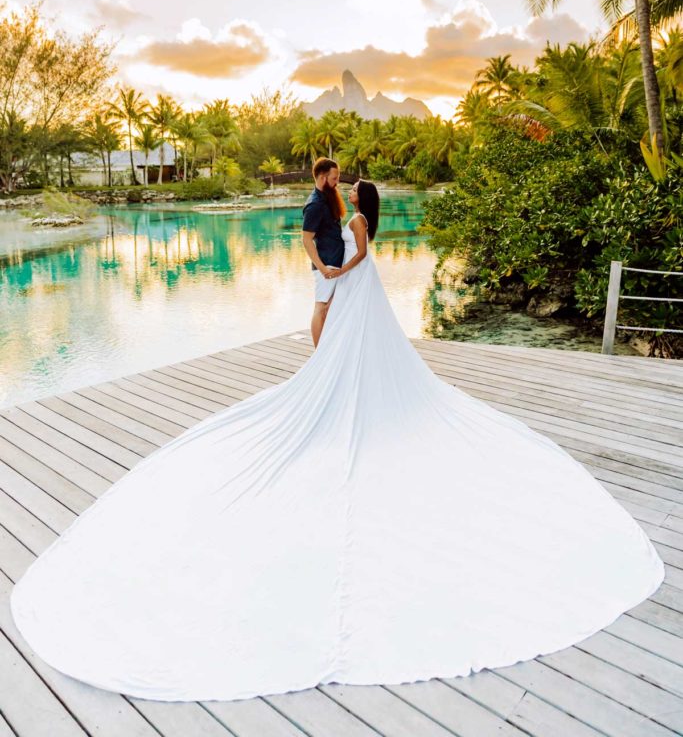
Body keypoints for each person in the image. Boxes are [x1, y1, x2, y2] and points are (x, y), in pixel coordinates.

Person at [9, 178, 664, 702]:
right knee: (348, 343)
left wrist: (334, 272)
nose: (346, 195)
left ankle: (340, 377)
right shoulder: (357, 217)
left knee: (341, 344)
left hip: (350, 286)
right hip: (356, 292)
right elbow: (354, 255)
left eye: (352, 192)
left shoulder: (353, 226)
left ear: (359, 204)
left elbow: (355, 258)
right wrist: (336, 271)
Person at [301, 157, 345, 346]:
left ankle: (327, 348)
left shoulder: (327, 198)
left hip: (334, 263)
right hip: (326, 265)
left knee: (330, 307)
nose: (337, 182)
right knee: (321, 307)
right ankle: (319, 353)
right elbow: (306, 239)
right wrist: (321, 268)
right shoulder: (315, 204)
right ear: (321, 177)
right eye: (334, 178)